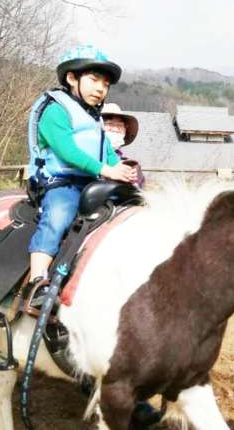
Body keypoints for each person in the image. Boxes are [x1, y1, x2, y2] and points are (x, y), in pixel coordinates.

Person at [25, 44, 137, 311]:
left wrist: (121, 169)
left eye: (106, 84)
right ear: (72, 78)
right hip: (62, 183)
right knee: (59, 216)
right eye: (94, 80)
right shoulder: (55, 110)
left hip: (93, 182)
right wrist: (104, 170)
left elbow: (107, 151)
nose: (101, 88)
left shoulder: (93, 117)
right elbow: (67, 149)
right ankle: (37, 279)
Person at [101, 102, 145, 188]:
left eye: (120, 125)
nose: (116, 129)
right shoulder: (90, 155)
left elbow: (138, 192)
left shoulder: (130, 164)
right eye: (110, 124)